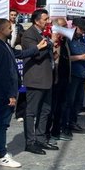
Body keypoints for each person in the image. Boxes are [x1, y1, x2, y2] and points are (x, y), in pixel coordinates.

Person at [19, 9, 56, 154]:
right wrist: (51, 42)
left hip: (47, 78)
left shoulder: (42, 34)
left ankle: (41, 138)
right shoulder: (29, 34)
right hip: (35, 79)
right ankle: (30, 142)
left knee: (45, 110)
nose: (48, 21)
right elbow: (37, 55)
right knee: (31, 112)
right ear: (36, 20)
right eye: (45, 19)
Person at [0, 18, 22, 166]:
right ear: (2, 30)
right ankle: (2, 155)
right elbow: (3, 74)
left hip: (2, 91)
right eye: (9, 28)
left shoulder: (4, 45)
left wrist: (36, 48)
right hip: (4, 92)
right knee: (3, 123)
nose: (11, 30)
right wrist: (11, 95)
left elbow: (18, 53)